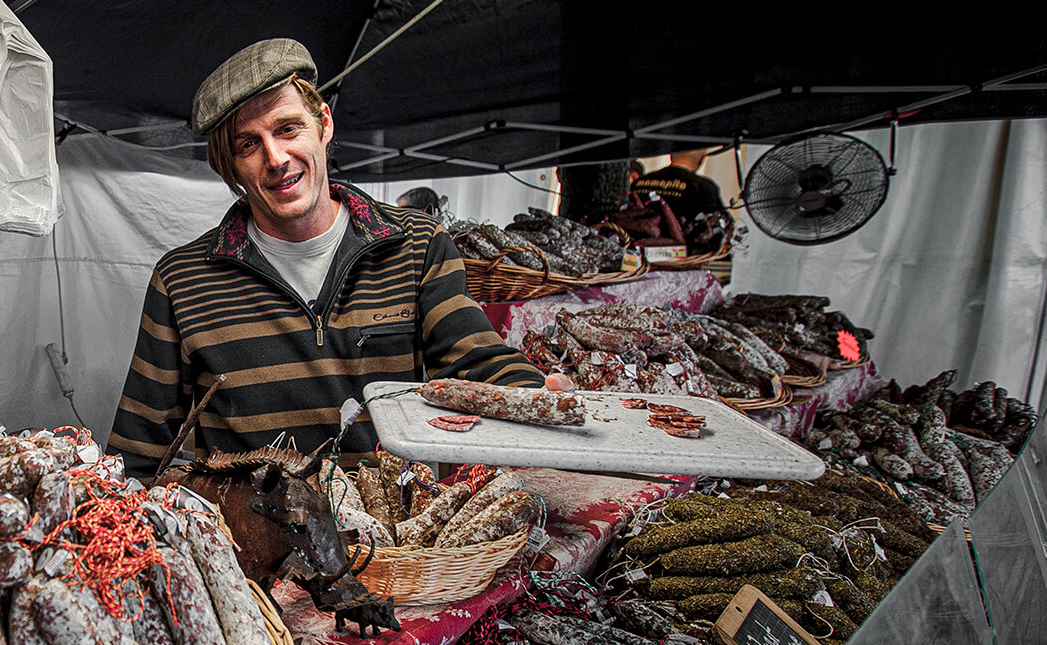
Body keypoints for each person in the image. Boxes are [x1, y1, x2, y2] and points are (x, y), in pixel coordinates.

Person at [106, 38, 565, 478]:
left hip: (392, 544)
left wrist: (536, 398)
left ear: (324, 124)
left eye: (288, 129)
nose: (276, 157)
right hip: (254, 544)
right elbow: (138, 452)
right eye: (248, 144)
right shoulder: (183, 281)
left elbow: (476, 364)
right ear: (229, 168)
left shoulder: (416, 246)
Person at [631, 149, 723, 221]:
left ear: (671, 155)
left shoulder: (639, 183)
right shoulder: (704, 188)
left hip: (632, 242)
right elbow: (723, 224)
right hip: (685, 244)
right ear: (701, 159)